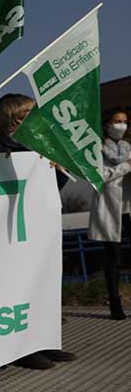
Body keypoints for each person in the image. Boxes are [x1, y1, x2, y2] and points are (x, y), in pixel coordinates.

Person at [0, 94, 81, 365]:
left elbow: (50, 189)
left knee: (43, 283)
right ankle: (23, 350)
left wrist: (55, 169)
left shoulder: (37, 145)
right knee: (18, 286)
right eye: (30, 116)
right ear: (15, 119)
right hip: (13, 231)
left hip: (38, 228)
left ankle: (46, 341)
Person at [89, 108, 131, 320]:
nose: (121, 125)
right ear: (107, 125)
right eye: (117, 121)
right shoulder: (97, 149)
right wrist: (125, 167)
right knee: (114, 257)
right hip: (109, 208)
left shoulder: (128, 148)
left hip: (128, 207)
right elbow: (101, 177)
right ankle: (115, 304)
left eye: (124, 121)